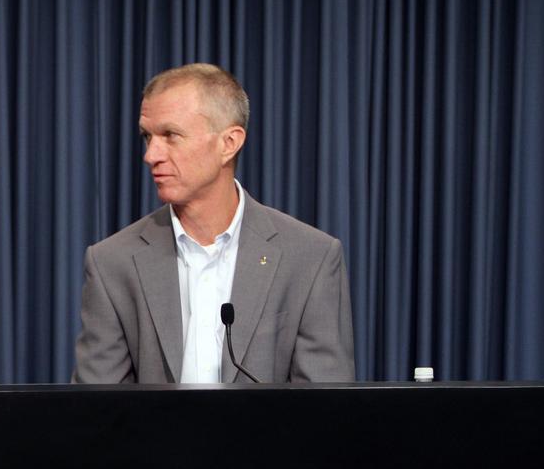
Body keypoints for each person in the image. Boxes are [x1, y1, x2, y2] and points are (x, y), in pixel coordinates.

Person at [74, 63, 354, 384]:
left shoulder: (310, 258)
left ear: (229, 143)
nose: (151, 155)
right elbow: (95, 413)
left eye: (170, 135)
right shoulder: (112, 263)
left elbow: (326, 412)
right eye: (147, 137)